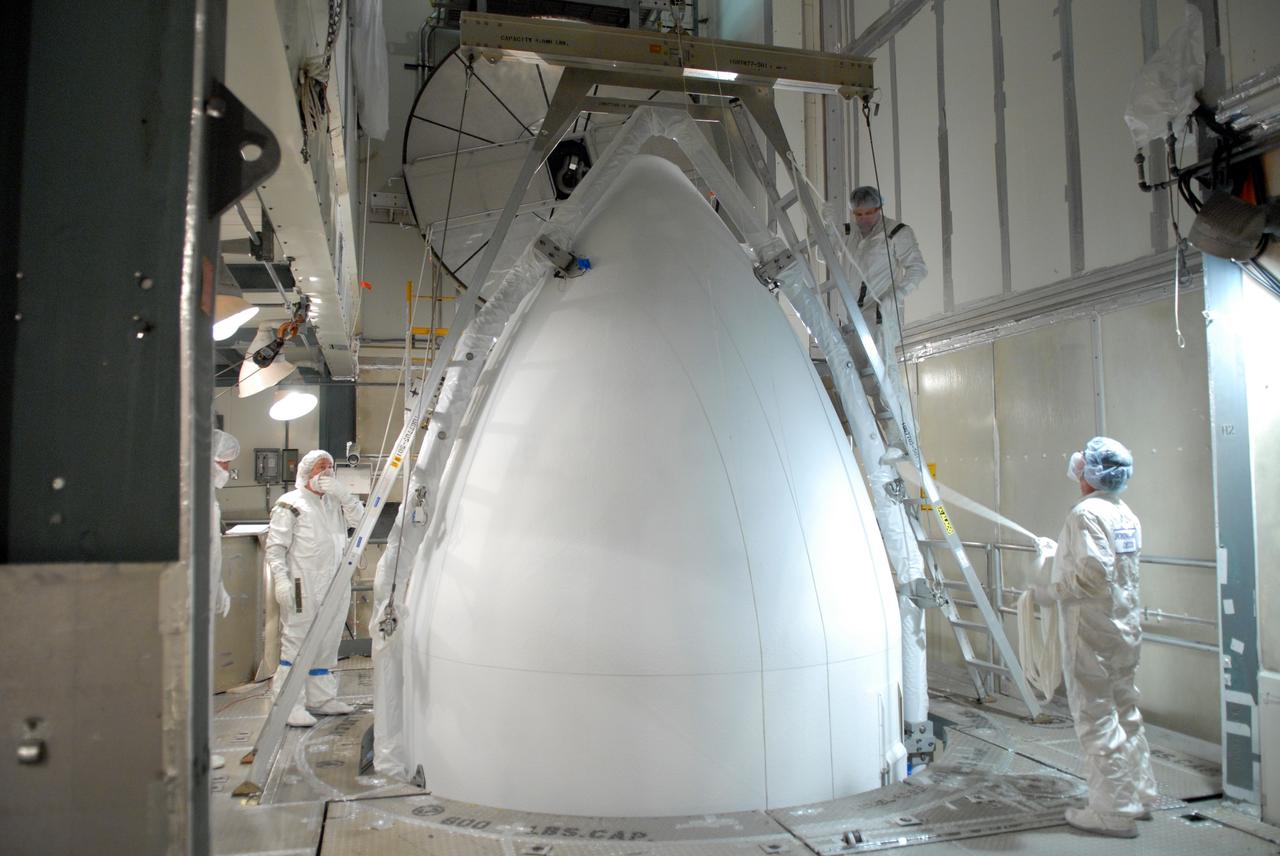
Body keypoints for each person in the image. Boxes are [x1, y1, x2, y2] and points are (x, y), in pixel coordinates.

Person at [1032, 437, 1158, 838]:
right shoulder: (1124, 513)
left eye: (1083, 461)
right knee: (1126, 711)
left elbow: (1092, 575)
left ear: (1090, 473)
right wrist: (1061, 553)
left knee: (1097, 718)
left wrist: (1050, 591)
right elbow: (1111, 567)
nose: (1077, 465)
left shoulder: (1084, 514)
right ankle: (1139, 794)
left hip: (1092, 632)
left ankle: (1113, 812)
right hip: (1123, 628)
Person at [841, 186, 932, 741]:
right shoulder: (850, 239)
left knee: (886, 381)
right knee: (860, 376)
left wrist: (890, 293)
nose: (866, 220)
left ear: (881, 210)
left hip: (882, 317)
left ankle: (900, 437)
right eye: (859, 215)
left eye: (871, 213)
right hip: (853, 319)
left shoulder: (899, 236)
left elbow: (916, 270)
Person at [266, 450, 365, 727]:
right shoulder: (291, 503)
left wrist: (345, 495)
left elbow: (362, 522)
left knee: (327, 642)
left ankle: (320, 698)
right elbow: (275, 549)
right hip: (303, 585)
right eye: (320, 467)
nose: (326, 472)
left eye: (330, 467)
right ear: (306, 472)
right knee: (297, 643)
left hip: (335, 583)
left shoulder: (334, 502)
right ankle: (287, 705)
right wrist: (282, 581)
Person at [209, 428, 240, 770]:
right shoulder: (189, 495)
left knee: (200, 669)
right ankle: (189, 748)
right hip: (186, 599)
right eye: (223, 462)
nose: (227, 470)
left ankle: (197, 744)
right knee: (188, 672)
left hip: (202, 592)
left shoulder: (207, 499)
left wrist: (216, 585)